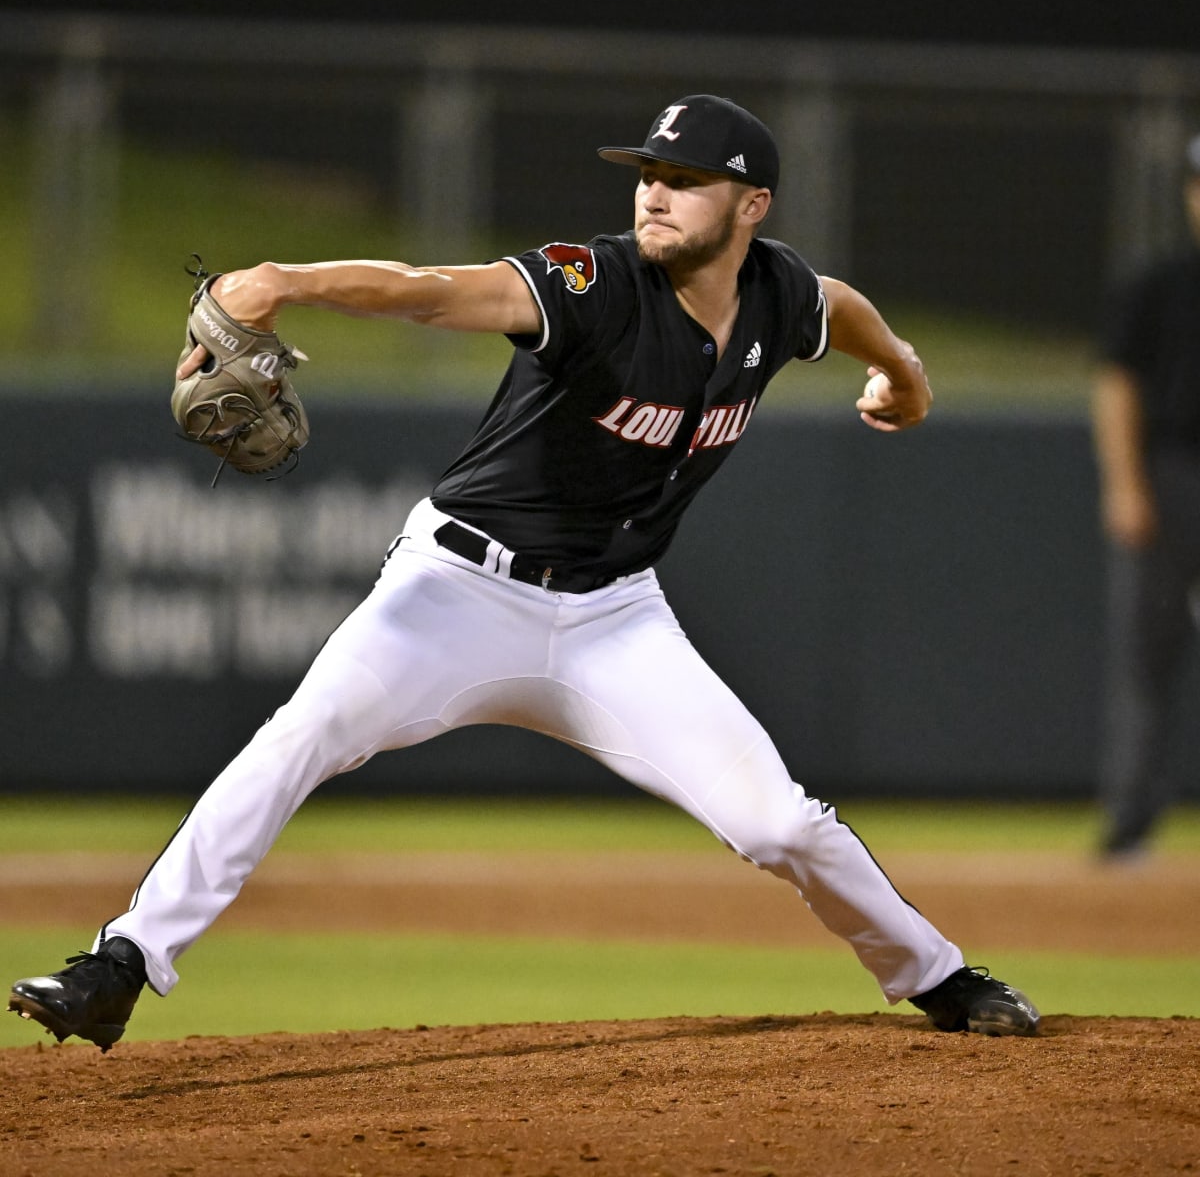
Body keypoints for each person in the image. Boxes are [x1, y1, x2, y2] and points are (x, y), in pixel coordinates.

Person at [8, 94, 1039, 1048]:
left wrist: (900, 370)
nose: (654, 191)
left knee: (779, 822)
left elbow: (842, 307)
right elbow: (431, 294)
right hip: (457, 591)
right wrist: (284, 282)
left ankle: (940, 977)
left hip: (616, 622)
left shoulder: (777, 296)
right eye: (647, 172)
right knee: (304, 734)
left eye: (683, 177)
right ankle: (121, 962)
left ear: (751, 204)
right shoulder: (592, 284)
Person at [1091, 131, 1200, 859]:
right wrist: (1126, 483)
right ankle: (1130, 826)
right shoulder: (1158, 284)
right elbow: (1115, 385)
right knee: (1147, 651)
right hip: (1173, 471)